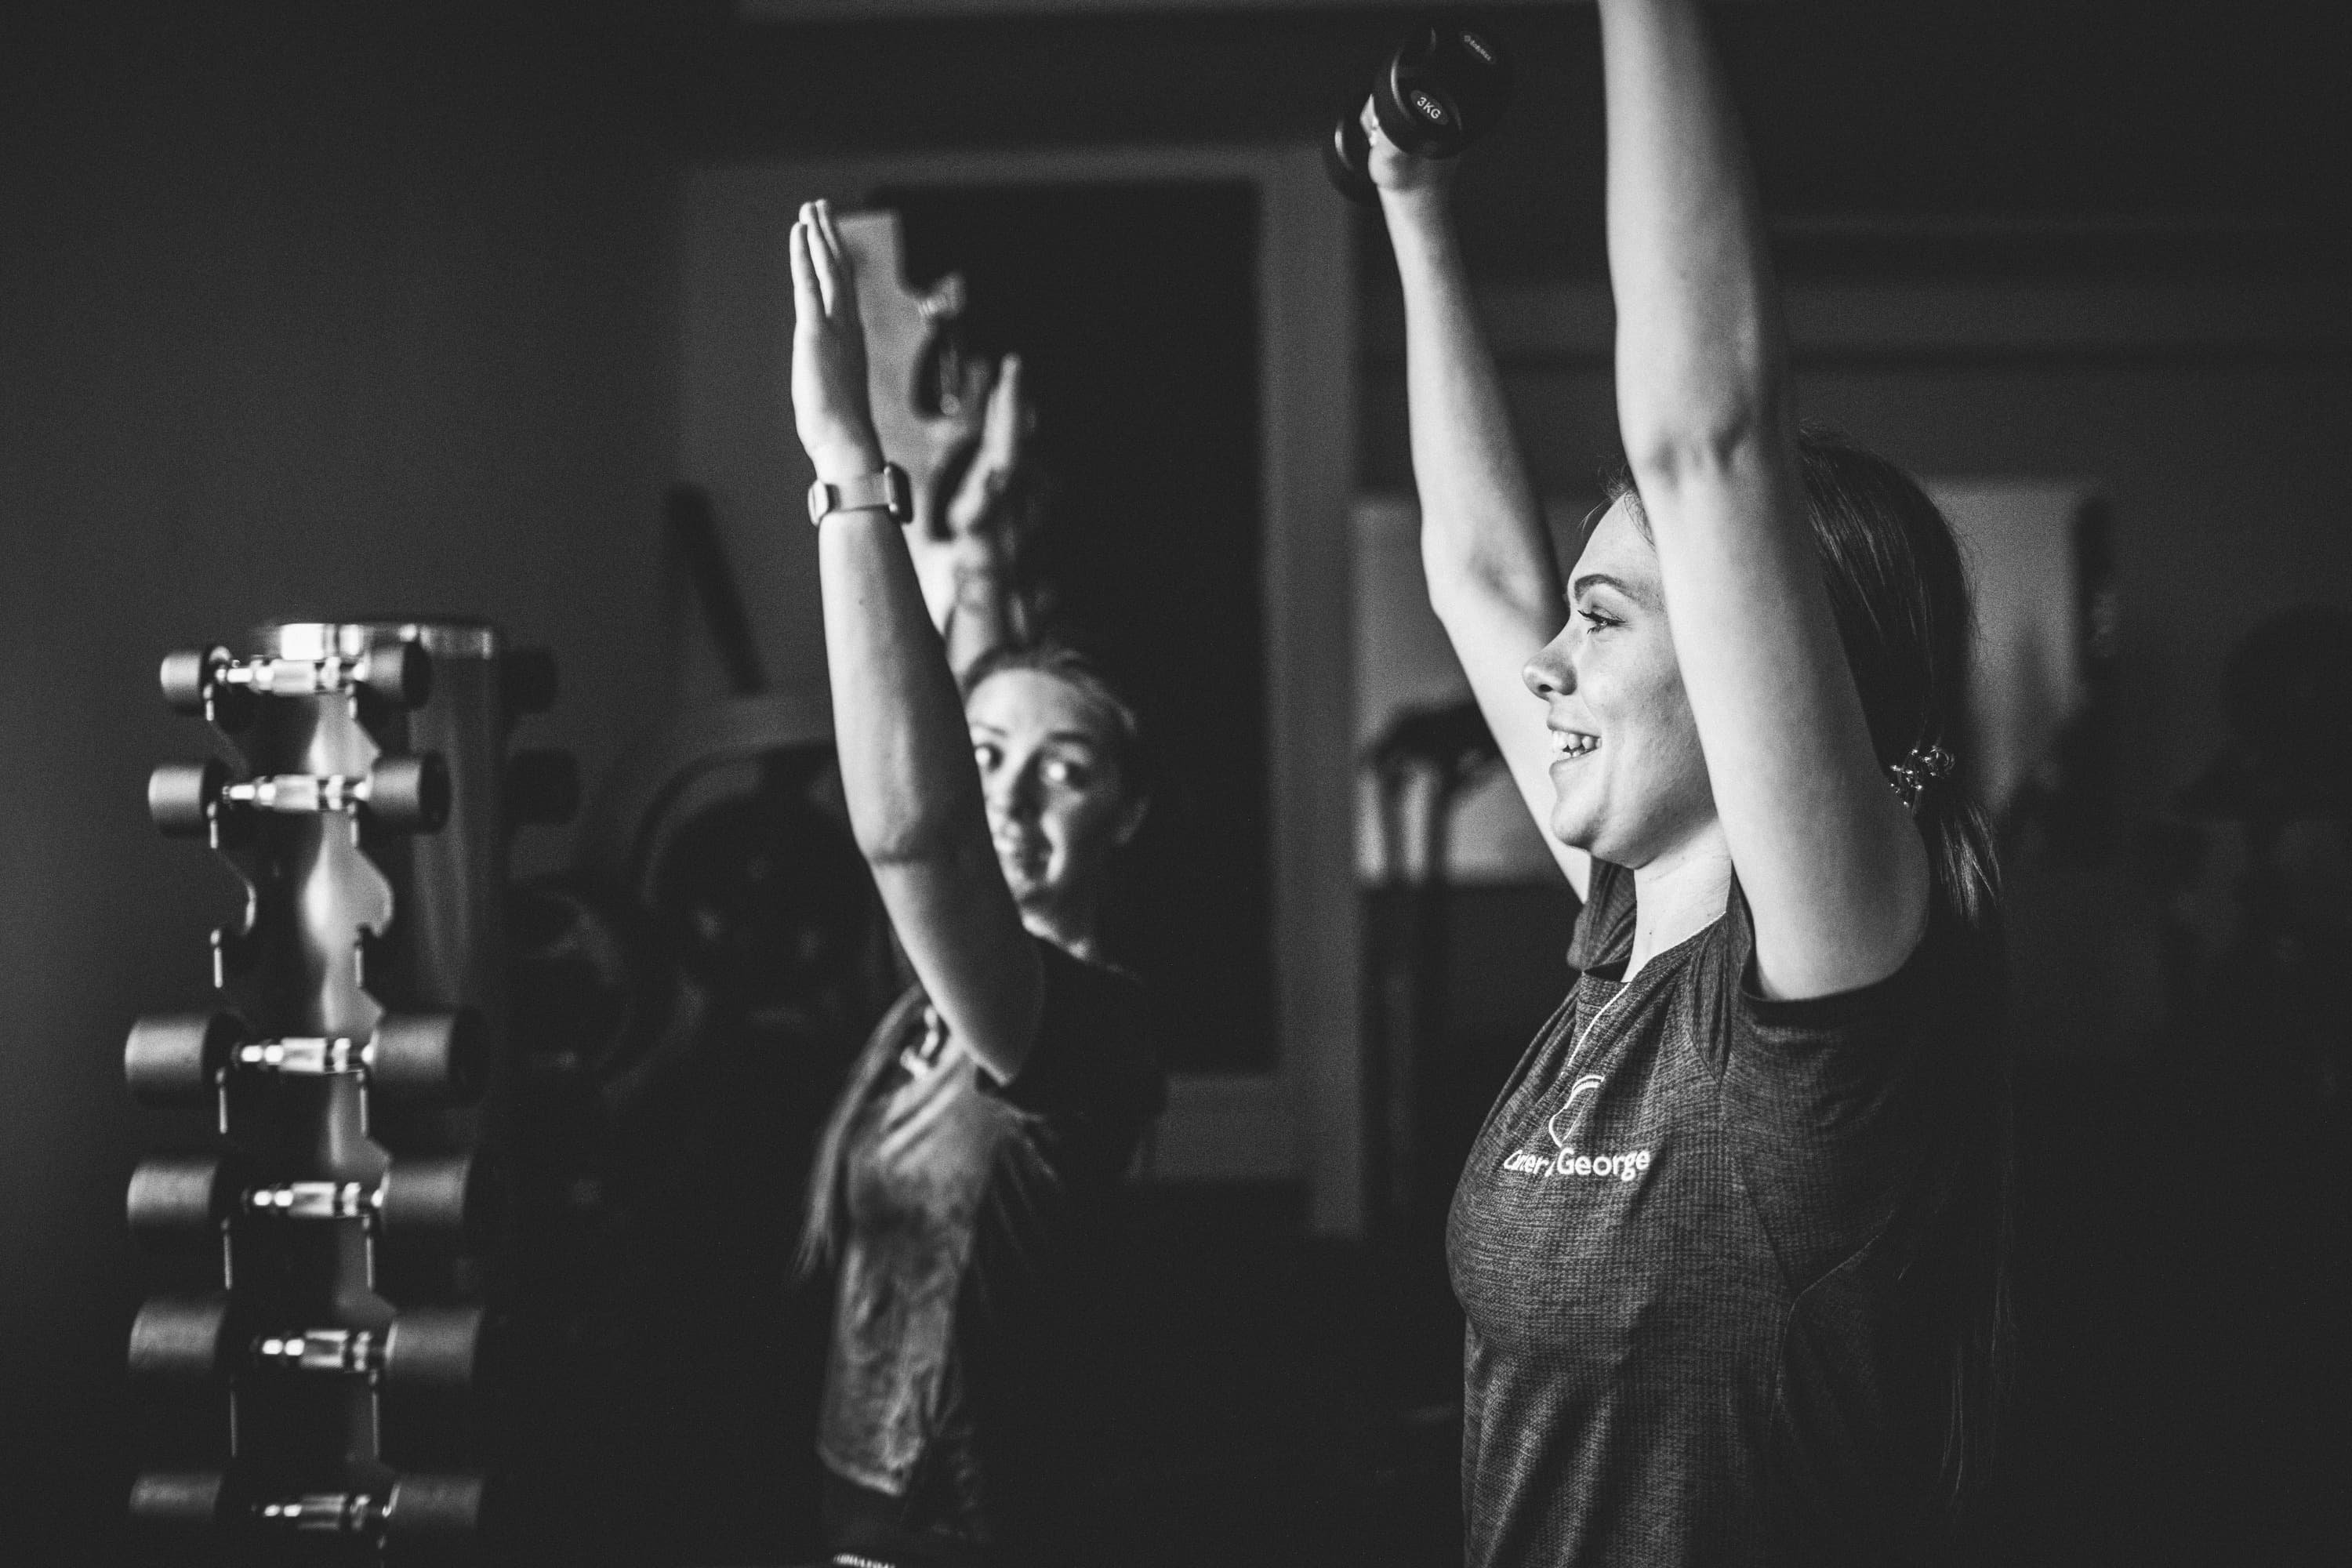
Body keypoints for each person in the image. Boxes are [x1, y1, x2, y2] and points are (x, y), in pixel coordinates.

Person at [1366, 3, 2009, 1563]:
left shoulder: (1819, 1003)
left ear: (1755, 668)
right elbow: (1473, 573)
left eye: (1602, 618)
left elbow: (1707, 438)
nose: (1541, 665)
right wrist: (1412, 202)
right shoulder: (1619, 932)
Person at [786, 200, 1166, 1567]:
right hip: (857, 1506)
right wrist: (982, 517)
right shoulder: (936, 1005)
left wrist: (851, 468)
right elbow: (965, 720)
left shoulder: (1084, 1037)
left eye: (1066, 772)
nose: (1011, 792)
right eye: (989, 756)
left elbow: (928, 832)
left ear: (1130, 815)